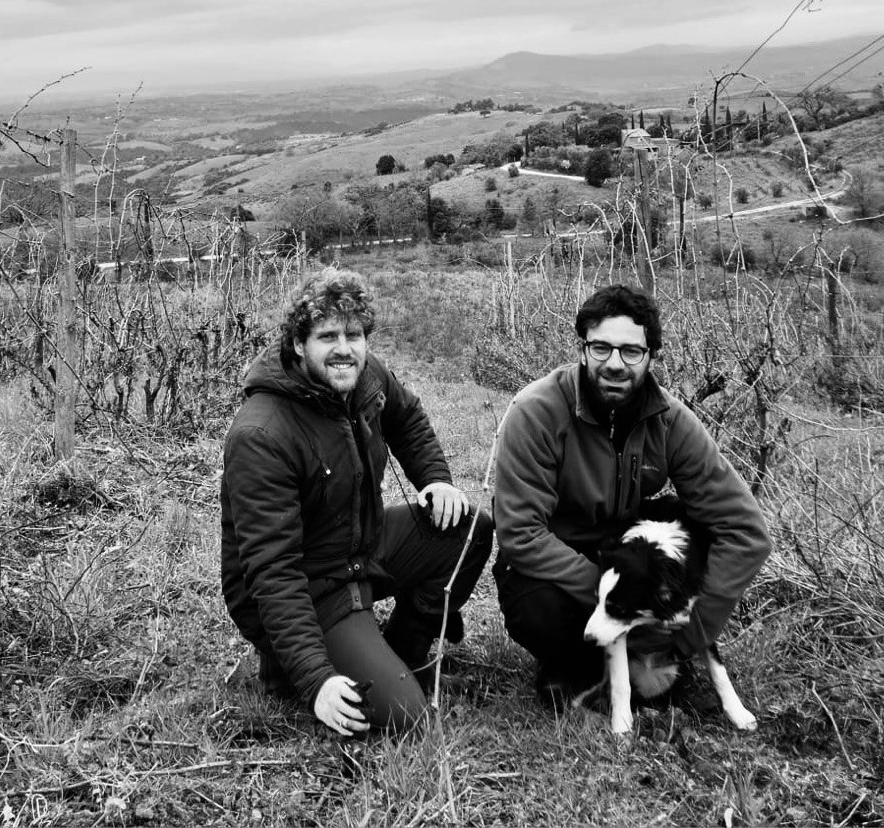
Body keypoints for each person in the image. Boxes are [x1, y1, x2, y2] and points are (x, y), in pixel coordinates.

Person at [221, 268, 492, 735]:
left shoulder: (366, 377)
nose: (344, 348)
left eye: (354, 334)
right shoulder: (261, 434)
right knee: (408, 720)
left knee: (469, 530)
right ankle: (291, 664)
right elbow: (272, 571)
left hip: (358, 549)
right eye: (327, 335)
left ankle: (400, 653)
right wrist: (317, 678)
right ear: (299, 343)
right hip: (309, 585)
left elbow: (408, 420)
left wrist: (436, 479)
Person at [492, 283, 772, 706]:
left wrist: (685, 632)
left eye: (631, 351)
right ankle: (574, 665)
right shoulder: (536, 411)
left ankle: (657, 657)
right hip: (559, 557)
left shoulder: (672, 422)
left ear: (650, 355)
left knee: (688, 521)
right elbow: (520, 533)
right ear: (583, 348)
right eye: (601, 348)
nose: (615, 364)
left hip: (630, 554)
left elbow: (747, 532)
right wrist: (615, 595)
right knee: (539, 612)